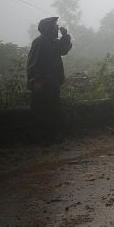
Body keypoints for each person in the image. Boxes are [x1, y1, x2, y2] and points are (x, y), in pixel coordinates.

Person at [27, 16, 72, 144]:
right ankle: (39, 138)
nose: (57, 29)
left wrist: (65, 36)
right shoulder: (39, 42)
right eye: (55, 28)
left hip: (53, 81)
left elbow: (64, 50)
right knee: (40, 110)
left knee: (54, 109)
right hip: (42, 82)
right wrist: (36, 80)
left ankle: (52, 136)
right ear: (48, 29)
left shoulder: (54, 42)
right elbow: (33, 63)